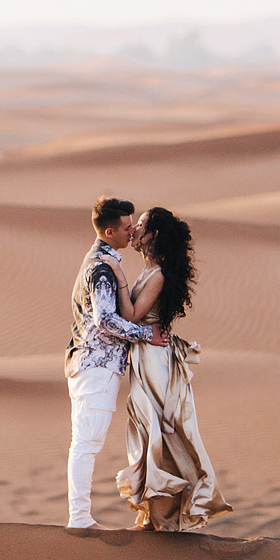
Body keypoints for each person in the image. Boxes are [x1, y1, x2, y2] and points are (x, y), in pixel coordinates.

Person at [112, 206, 231, 531]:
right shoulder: (150, 271)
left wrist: (117, 276)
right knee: (148, 430)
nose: (134, 228)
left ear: (154, 236)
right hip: (146, 358)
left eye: (141, 224)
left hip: (155, 362)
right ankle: (154, 515)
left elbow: (133, 316)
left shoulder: (159, 275)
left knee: (158, 431)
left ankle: (163, 520)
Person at [65, 196, 154, 531]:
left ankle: (80, 517)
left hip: (93, 365)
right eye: (127, 228)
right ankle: (80, 519)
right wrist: (145, 334)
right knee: (87, 442)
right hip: (95, 366)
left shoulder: (102, 261)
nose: (132, 233)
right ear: (109, 231)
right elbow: (106, 320)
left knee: (87, 441)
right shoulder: (101, 269)